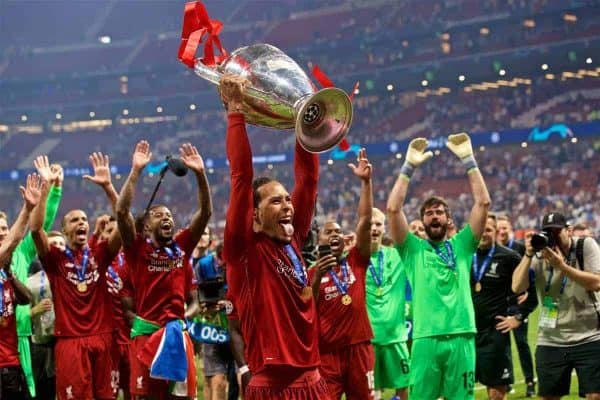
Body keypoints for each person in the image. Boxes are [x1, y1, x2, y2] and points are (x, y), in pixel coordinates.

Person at [220, 74, 327, 399]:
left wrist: (305, 120)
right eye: (276, 201)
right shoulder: (243, 251)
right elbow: (242, 177)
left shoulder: (293, 243)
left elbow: (307, 180)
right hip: (272, 387)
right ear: (253, 216)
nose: (288, 205)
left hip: (314, 380)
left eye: (287, 199)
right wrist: (236, 112)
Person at [387, 133, 491, 399]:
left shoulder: (463, 245)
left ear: (448, 219)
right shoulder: (412, 250)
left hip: (462, 336)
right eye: (429, 213)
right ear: (422, 222)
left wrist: (469, 160)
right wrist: (407, 168)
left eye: (439, 212)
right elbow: (392, 209)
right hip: (425, 340)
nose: (434, 216)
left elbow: (483, 203)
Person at [116, 140, 211, 400]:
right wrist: (135, 171)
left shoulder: (182, 246)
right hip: (146, 335)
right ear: (146, 227)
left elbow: (205, 213)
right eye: (158, 215)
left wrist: (200, 174)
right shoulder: (136, 249)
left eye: (169, 214)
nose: (167, 217)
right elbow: (122, 211)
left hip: (176, 335)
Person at [31, 154, 122, 400]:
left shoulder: (100, 254)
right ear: (64, 230)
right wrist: (47, 186)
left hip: (103, 337)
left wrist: (108, 188)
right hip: (70, 342)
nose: (81, 222)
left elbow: (124, 225)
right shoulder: (55, 259)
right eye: (74, 220)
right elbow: (36, 229)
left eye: (84, 219)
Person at [512, 212, 600, 400]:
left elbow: (596, 283)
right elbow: (517, 287)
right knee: (549, 396)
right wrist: (528, 254)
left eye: (556, 232)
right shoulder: (539, 255)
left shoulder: (585, 246)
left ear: (568, 231)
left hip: (589, 336)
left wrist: (562, 266)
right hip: (551, 339)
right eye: (548, 233)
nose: (552, 237)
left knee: (595, 395)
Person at [309, 148, 374, 400]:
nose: (334, 234)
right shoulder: (311, 273)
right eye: (328, 232)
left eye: (338, 231)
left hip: (359, 348)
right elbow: (307, 309)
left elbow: (365, 221)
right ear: (319, 240)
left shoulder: (356, 260)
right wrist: (317, 278)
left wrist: (366, 183)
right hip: (326, 353)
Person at [1, 158, 63, 399]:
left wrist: (53, 190)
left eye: (4, 228)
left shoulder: (20, 255)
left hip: (21, 340)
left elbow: (41, 226)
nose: (2, 232)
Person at [471, 214, 530, 400]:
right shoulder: (464, 255)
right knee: (458, 390)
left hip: (494, 333)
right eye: (480, 229)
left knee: (496, 393)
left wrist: (518, 317)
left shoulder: (509, 257)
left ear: (495, 232)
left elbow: (533, 289)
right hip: (466, 333)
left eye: (488, 229)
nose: (483, 233)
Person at [0, 173, 44, 400]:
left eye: (3, 228)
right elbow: (14, 240)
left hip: (9, 362)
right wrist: (27, 210)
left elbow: (25, 299)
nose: (2, 234)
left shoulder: (6, 271)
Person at [364, 208, 410, 400]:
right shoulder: (354, 259)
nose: (374, 228)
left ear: (384, 228)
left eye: (378, 224)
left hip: (396, 338)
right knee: (372, 393)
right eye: (369, 225)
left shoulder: (397, 256)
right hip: (368, 340)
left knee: (405, 387)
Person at [496, 215, 537, 397]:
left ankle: (530, 382)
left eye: (505, 228)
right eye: (499, 228)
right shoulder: (493, 251)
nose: (502, 232)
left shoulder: (520, 248)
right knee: (503, 347)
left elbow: (532, 272)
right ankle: (508, 381)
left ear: (510, 228)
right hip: (501, 306)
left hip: (518, 306)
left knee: (522, 344)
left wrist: (529, 289)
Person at [27, 230, 66, 400]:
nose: (57, 248)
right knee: (41, 390)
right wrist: (34, 311)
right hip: (38, 344)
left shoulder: (76, 276)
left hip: (66, 341)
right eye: (53, 244)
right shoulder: (30, 280)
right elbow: (17, 315)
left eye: (61, 244)